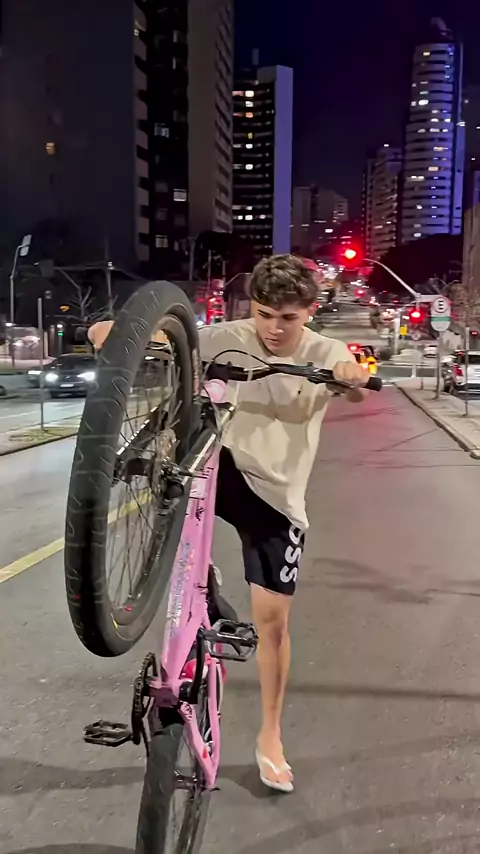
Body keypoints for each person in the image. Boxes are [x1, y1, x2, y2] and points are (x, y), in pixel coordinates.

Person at [88, 254, 369, 793]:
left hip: (277, 498)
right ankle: (195, 571)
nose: (274, 328)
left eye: (288, 318)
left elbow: (352, 381)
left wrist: (350, 375)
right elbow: (161, 338)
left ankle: (270, 736)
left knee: (273, 623)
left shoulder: (324, 351)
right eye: (264, 314)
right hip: (223, 473)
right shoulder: (226, 337)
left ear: (309, 311)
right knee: (180, 467)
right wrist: (117, 332)